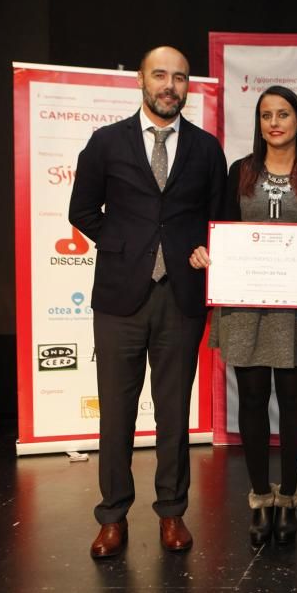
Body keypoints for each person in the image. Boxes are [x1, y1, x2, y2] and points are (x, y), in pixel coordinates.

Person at [69, 46, 226, 558]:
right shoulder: (105, 142)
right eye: (160, 75)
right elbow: (83, 210)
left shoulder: (205, 148)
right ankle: (112, 517)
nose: (170, 85)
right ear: (142, 79)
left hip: (182, 296)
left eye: (179, 78)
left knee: (174, 411)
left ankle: (171, 513)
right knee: (115, 412)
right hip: (119, 296)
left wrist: (205, 247)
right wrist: (121, 247)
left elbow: (217, 219)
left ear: (187, 86)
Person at [189, 85, 297, 546]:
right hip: (245, 301)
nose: (274, 122)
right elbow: (218, 229)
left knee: (295, 399)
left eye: (283, 114)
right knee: (254, 399)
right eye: (265, 116)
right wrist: (204, 251)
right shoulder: (240, 171)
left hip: (296, 303)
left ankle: (289, 499)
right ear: (259, 124)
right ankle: (260, 497)